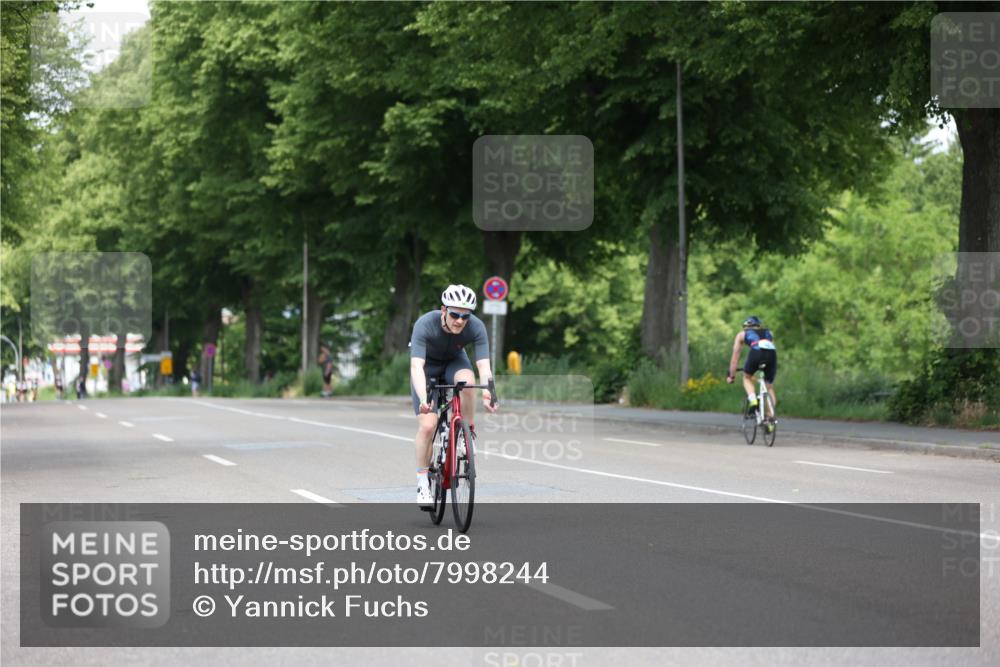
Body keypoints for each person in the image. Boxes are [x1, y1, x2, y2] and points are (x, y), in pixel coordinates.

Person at [410, 284, 498, 508]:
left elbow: (484, 366)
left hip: (454, 363)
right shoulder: (424, 324)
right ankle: (422, 482)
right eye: (455, 314)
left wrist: (490, 391)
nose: (459, 320)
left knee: (468, 382)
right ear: (443, 310)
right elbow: (416, 367)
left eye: (465, 316)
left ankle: (467, 432)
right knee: (428, 426)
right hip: (427, 370)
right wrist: (423, 399)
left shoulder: (476, 327)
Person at [727, 315, 778, 428]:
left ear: (745, 327)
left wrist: (731, 376)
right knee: (769, 386)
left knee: (746, 377)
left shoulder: (742, 334)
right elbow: (771, 346)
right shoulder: (769, 332)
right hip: (772, 354)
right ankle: (770, 419)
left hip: (756, 351)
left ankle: (753, 400)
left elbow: (735, 358)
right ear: (759, 325)